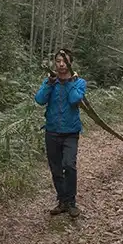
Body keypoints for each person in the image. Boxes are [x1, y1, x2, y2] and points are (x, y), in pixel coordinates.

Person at [34, 49, 87, 218]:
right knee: (56, 168)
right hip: (52, 132)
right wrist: (50, 84)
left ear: (70, 64)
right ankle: (62, 201)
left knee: (69, 165)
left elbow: (74, 100)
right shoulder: (50, 82)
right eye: (58, 61)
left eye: (64, 61)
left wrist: (70, 81)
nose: (61, 64)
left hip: (70, 132)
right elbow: (40, 100)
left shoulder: (79, 83)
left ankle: (71, 203)